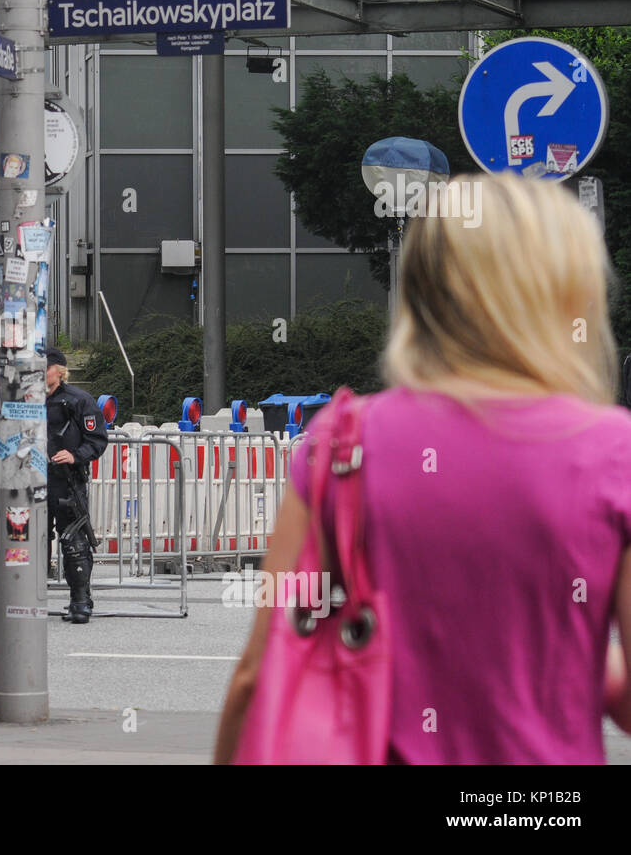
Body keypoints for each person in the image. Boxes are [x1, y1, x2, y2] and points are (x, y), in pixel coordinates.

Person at [215, 172, 631, 764]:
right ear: (569, 293)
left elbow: (259, 672)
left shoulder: (341, 442)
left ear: (422, 289)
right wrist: (581, 653)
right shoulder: (614, 452)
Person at [45, 349, 108, 624]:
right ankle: (26, 601)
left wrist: (74, 456)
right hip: (31, 478)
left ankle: (80, 600)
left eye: (45, 368)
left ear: (59, 370)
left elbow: (97, 440)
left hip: (66, 480)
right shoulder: (25, 400)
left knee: (74, 542)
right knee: (30, 540)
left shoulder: (79, 400)